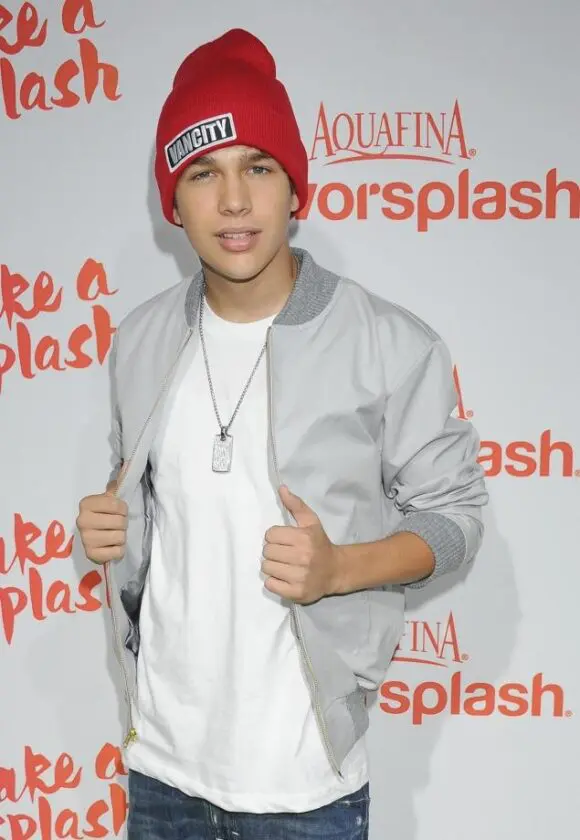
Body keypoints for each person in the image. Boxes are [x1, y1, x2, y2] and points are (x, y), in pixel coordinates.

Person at [76, 27, 488, 840]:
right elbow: (148, 502)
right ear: (174, 204)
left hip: (305, 786)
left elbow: (456, 520)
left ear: (295, 188)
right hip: (161, 771)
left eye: (258, 167)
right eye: (204, 173)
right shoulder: (142, 340)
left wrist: (341, 569)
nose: (234, 200)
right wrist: (107, 526)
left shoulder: (388, 343)